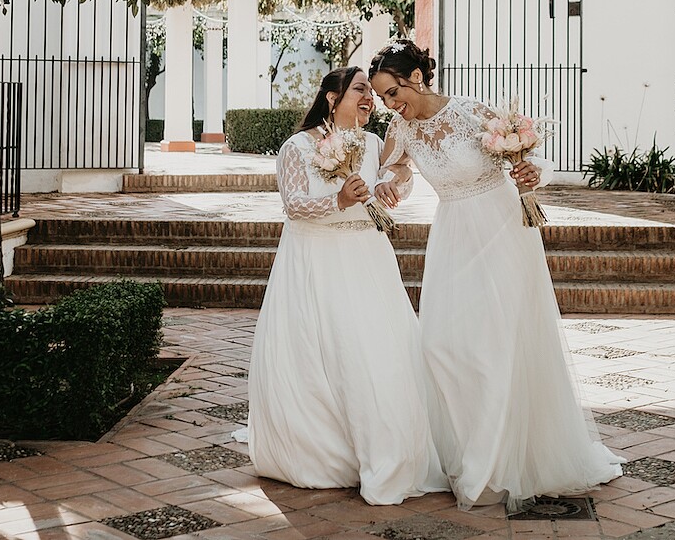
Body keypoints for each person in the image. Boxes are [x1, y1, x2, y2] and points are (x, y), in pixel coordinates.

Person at [369, 40, 623, 511]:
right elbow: (397, 174)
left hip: (501, 227)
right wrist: (390, 186)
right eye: (383, 97)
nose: (389, 103)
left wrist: (531, 171)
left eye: (392, 92)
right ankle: (468, 449)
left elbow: (520, 160)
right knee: (442, 343)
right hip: (452, 236)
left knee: (499, 340)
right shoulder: (400, 130)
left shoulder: (469, 112)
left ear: (416, 78)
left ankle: (505, 459)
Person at [241, 66, 446, 506]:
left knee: (376, 355)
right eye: (360, 90)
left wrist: (393, 186)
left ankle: (385, 446)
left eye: (373, 93)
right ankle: (325, 451)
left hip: (368, 261)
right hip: (315, 262)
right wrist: (340, 199)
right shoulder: (297, 147)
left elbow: (402, 174)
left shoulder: (374, 143)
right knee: (323, 355)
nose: (370, 98)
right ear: (332, 98)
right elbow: (294, 206)